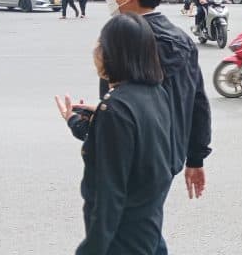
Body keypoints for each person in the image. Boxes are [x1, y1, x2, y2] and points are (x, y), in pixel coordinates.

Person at [57, 14, 173, 254]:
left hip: (121, 238)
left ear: (114, 55)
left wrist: (91, 249)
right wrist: (81, 120)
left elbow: (110, 194)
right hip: (148, 226)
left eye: (100, 44)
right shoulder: (156, 93)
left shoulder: (116, 108)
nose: (96, 50)